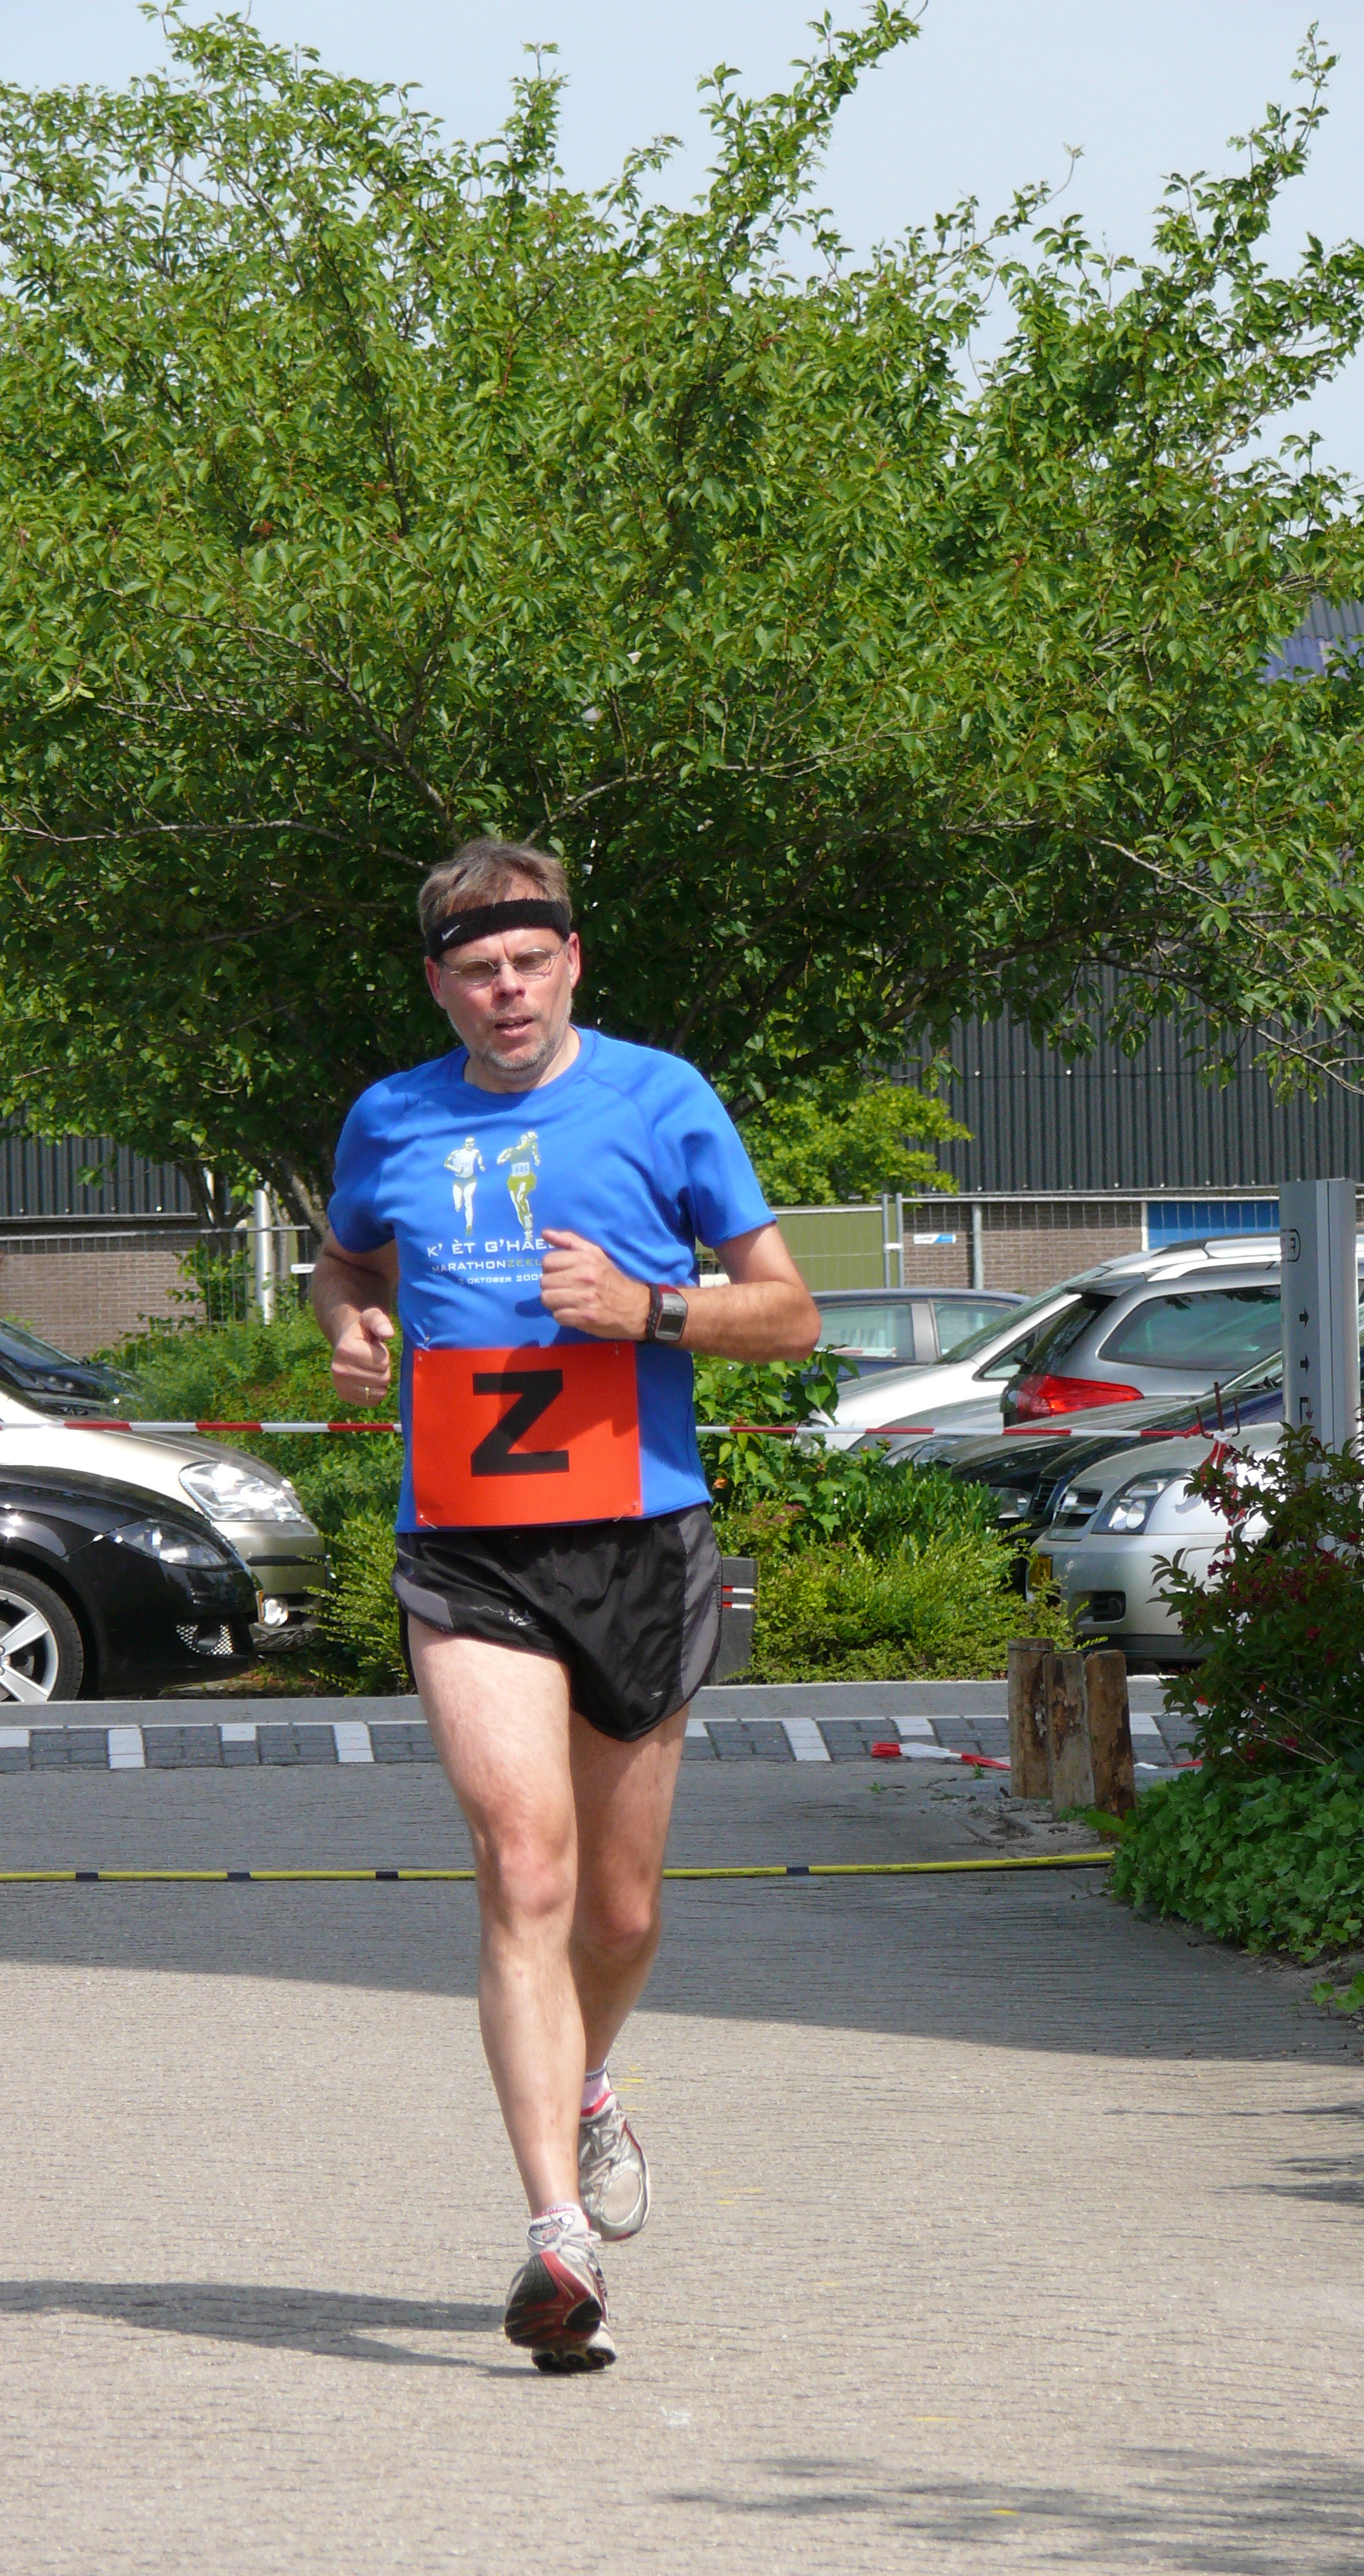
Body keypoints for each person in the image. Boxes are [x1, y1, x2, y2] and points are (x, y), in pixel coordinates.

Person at [311, 838, 818, 2373]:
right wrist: (350, 1325)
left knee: (619, 1911)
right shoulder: (391, 1117)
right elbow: (345, 1264)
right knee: (523, 1868)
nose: (508, 992)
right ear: (438, 985)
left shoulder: (664, 1100)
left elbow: (791, 1315)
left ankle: (589, 2084)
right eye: (477, 970)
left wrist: (649, 1309)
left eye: (531, 963)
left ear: (574, 961)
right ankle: (557, 2238)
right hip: (469, 1550)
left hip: (640, 1541)